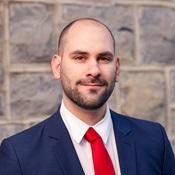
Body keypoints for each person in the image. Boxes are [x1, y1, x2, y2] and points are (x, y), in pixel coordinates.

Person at [0, 18, 174, 175]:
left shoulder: (154, 140)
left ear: (117, 68)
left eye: (104, 58)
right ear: (57, 67)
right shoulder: (19, 155)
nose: (94, 70)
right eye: (80, 58)